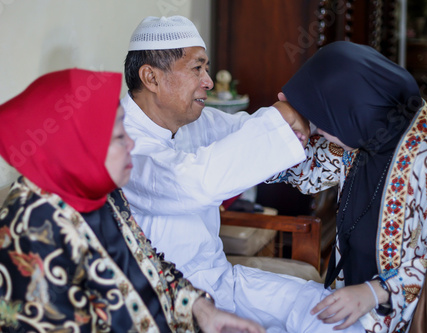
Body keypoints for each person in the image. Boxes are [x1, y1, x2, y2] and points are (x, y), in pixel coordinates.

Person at [121, 15, 366, 333]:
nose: (207, 81)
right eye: (197, 68)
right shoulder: (125, 144)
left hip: (220, 282)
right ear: (151, 78)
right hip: (168, 306)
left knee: (323, 310)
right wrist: (280, 122)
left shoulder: (194, 122)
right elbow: (196, 182)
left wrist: (302, 114)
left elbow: (245, 129)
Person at [0, 68, 266, 333]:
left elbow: (148, 264)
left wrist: (203, 311)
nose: (131, 144)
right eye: (119, 136)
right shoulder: (31, 234)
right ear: (77, 149)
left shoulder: (102, 194)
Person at [268, 41, 427, 332]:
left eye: (325, 118)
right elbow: (304, 173)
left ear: (351, 109)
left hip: (404, 319)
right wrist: (291, 127)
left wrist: (376, 291)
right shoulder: (362, 138)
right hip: (349, 307)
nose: (320, 128)